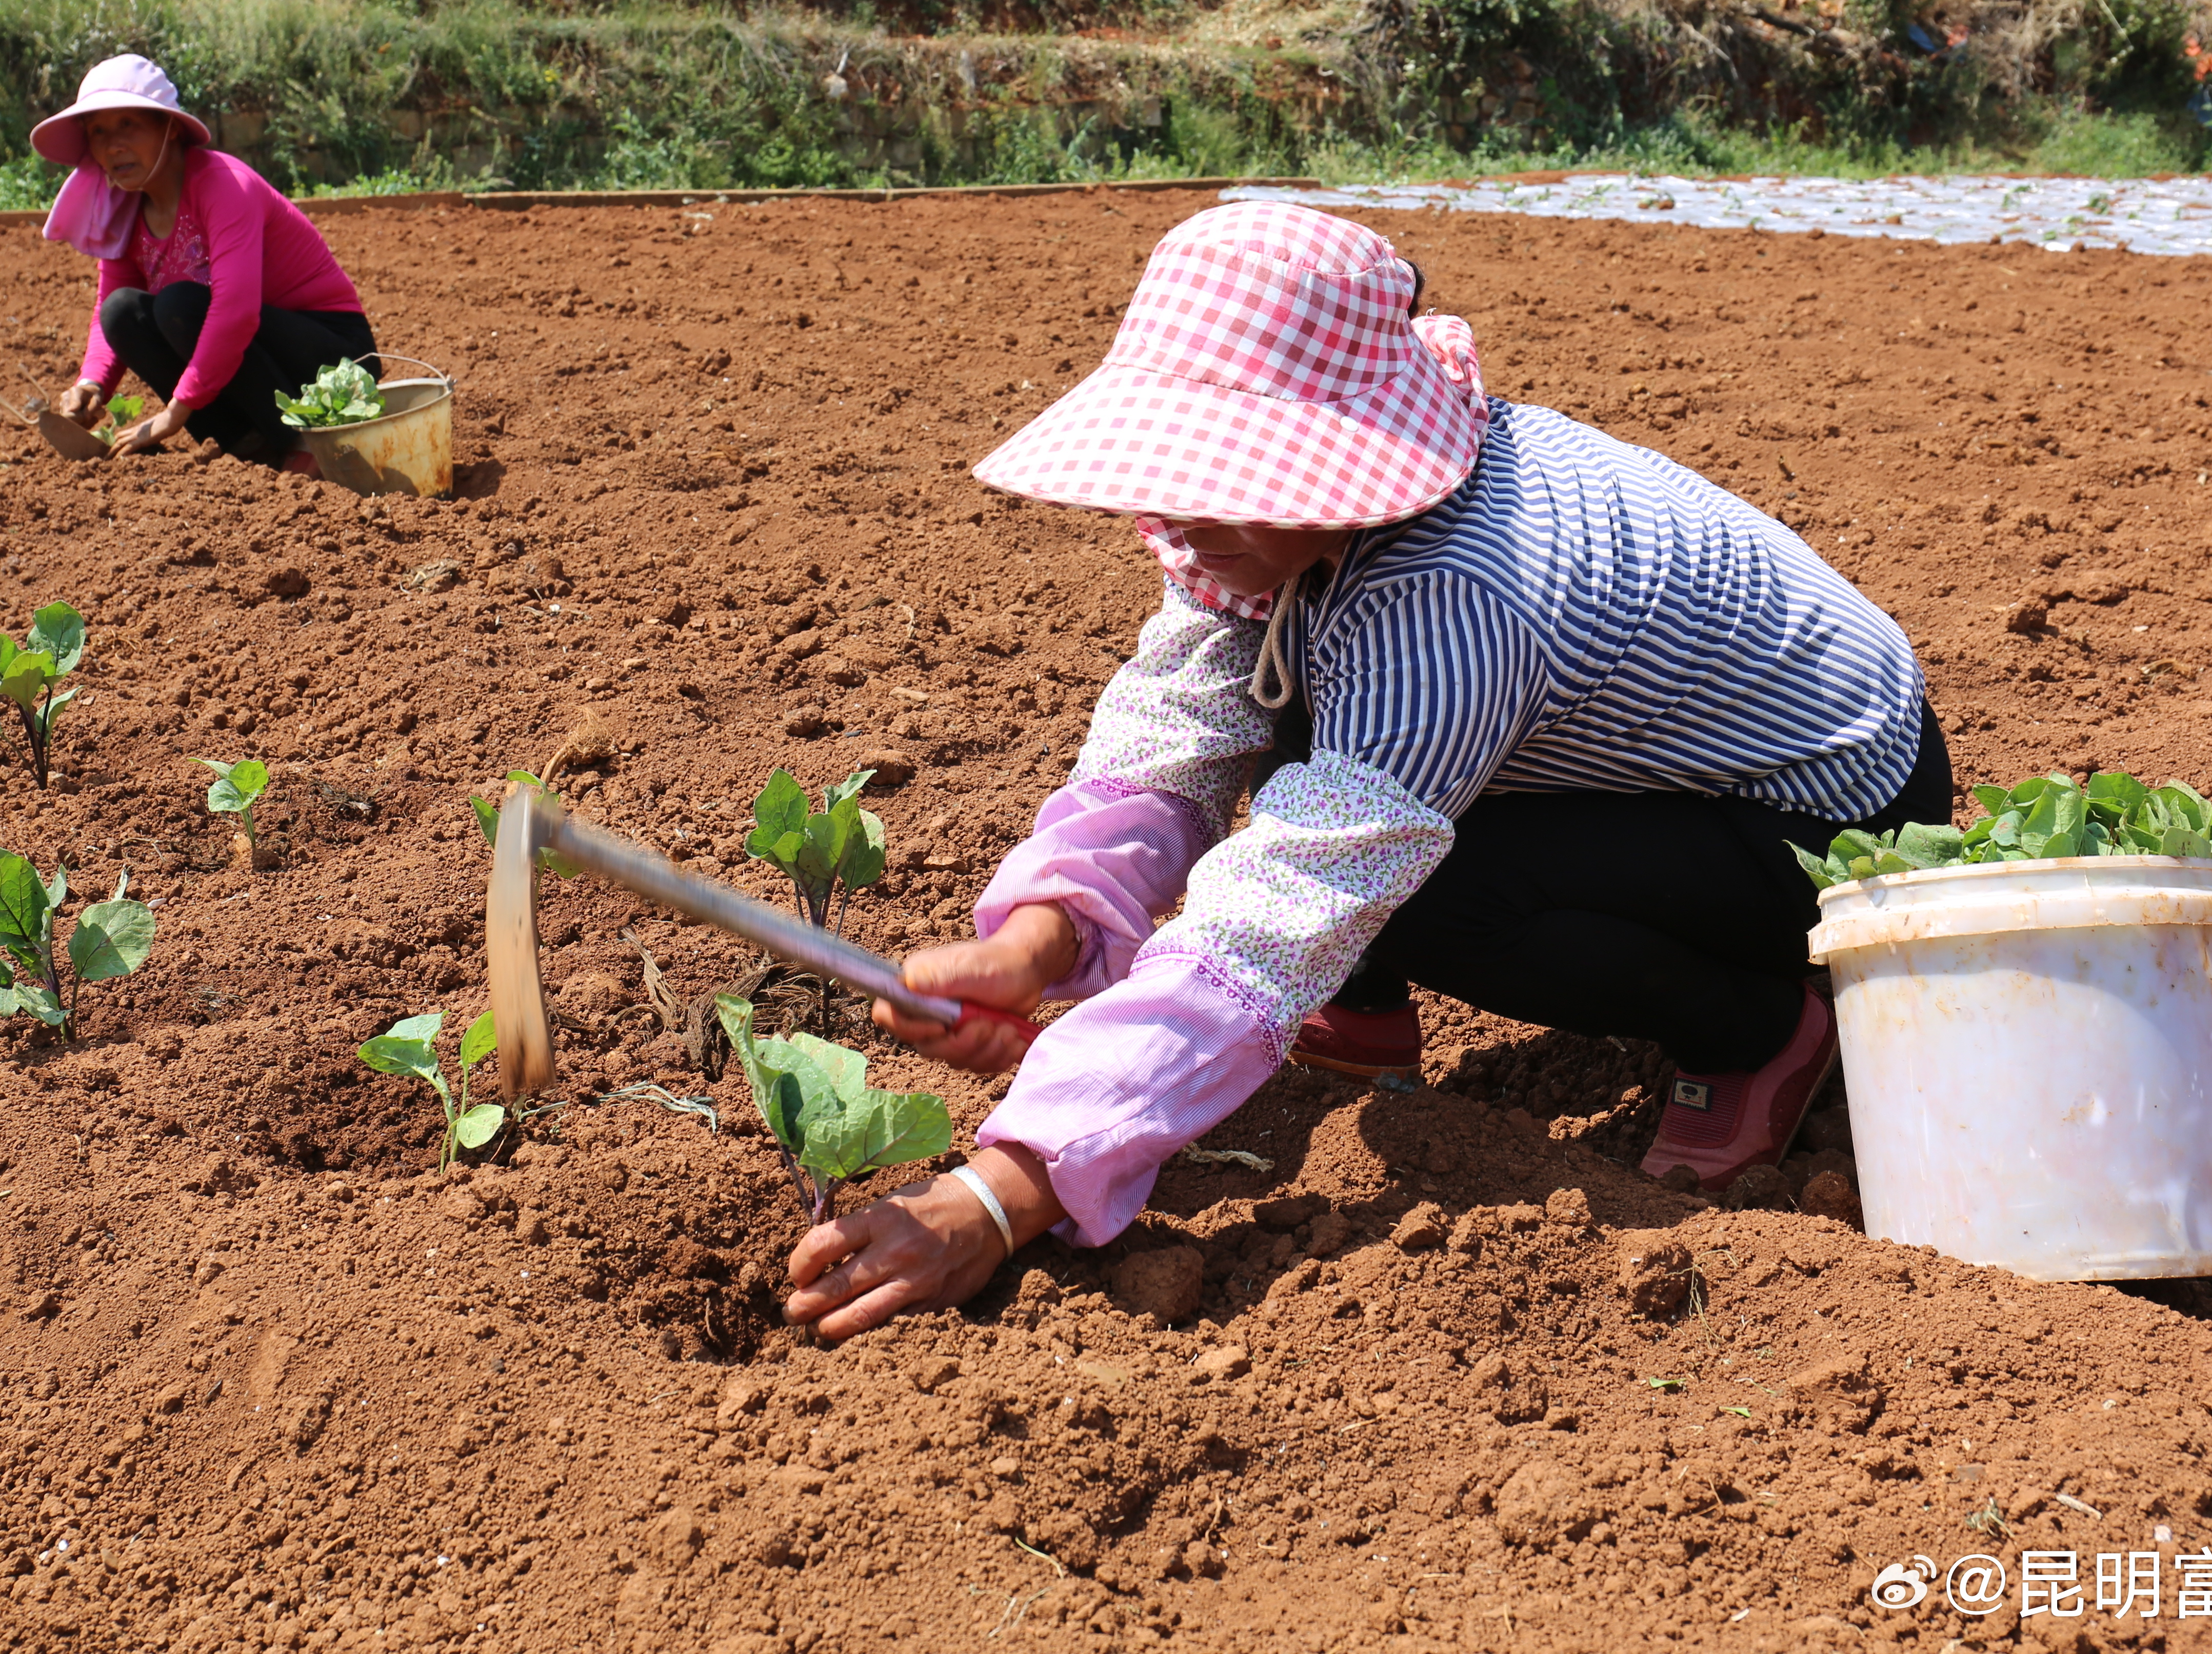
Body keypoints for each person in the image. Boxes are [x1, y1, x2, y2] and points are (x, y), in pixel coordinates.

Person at [782, 201, 1947, 1343]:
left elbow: (1276, 919)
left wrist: (1001, 1191)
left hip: (1829, 827)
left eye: (1226, 476)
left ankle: (1754, 1024)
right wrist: (1042, 936)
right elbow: (1174, 724)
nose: (1181, 522)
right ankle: (1371, 1005)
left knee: (1412, 881)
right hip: (1658, 760)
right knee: (1301, 732)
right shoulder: (1262, 535)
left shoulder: (1450, 600)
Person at [34, 53, 377, 468]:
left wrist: (173, 416)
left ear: (171, 129)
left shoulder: (224, 185)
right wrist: (92, 384)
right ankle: (247, 447)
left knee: (181, 305)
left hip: (336, 359)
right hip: (262, 360)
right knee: (123, 311)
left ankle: (305, 446)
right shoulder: (127, 208)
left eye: (128, 124)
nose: (112, 145)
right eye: (98, 131)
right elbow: (111, 309)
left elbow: (235, 313)